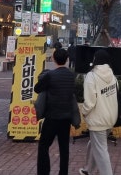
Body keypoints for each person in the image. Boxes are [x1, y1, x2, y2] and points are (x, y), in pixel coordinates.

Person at [34, 47, 79, 175]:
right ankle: (63, 173)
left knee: (43, 146)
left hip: (52, 117)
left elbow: (37, 89)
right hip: (66, 118)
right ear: (67, 59)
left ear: (53, 59)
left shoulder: (50, 75)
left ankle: (43, 172)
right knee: (64, 148)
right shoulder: (71, 75)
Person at [79, 49, 117, 175]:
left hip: (98, 119)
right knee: (94, 144)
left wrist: (84, 112)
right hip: (110, 118)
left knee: (101, 150)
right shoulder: (112, 76)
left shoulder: (92, 76)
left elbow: (90, 101)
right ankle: (88, 170)